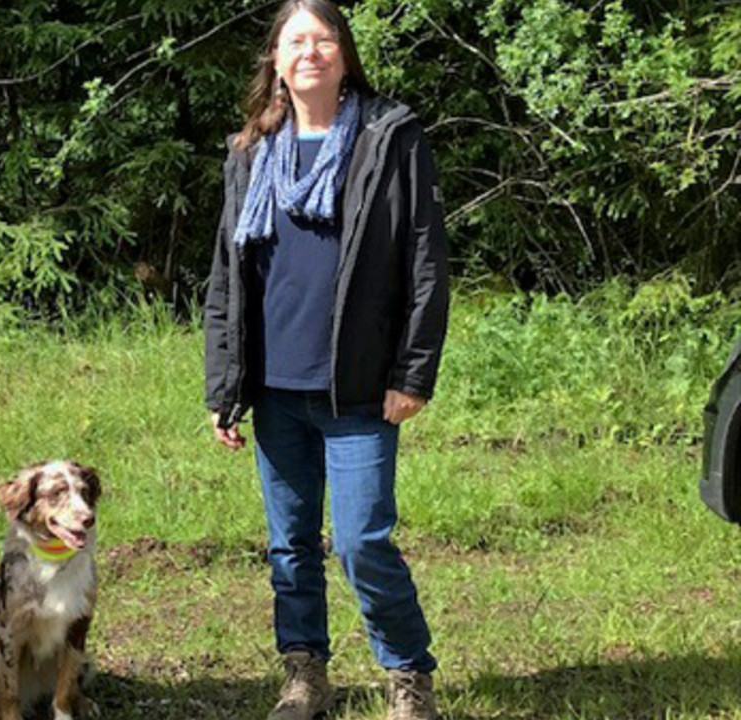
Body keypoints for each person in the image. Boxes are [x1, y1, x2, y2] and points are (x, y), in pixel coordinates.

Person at [202, 2, 449, 719]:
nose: (310, 51)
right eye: (296, 40)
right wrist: (225, 386)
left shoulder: (388, 137)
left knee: (363, 540)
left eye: (324, 38)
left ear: (343, 54)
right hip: (274, 387)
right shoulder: (251, 151)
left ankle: (408, 675)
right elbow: (226, 275)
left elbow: (425, 260)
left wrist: (413, 373)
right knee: (290, 546)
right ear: (276, 60)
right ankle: (304, 673)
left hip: (360, 387)